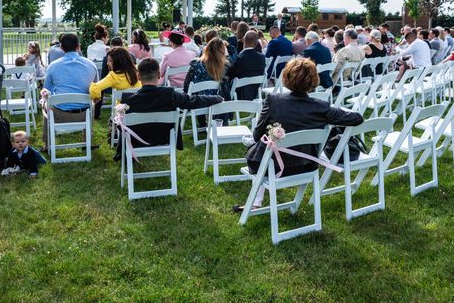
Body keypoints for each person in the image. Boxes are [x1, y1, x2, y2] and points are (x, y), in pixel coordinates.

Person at [234, 59, 363, 212]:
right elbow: (357, 118)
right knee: (269, 147)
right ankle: (256, 202)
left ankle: (255, 203)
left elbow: (257, 135)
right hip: (306, 166)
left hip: (273, 167)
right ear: (314, 80)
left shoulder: (273, 100)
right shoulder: (321, 107)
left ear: (286, 78)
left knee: (264, 147)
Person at [118, 58, 223, 159]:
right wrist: (216, 98)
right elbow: (194, 101)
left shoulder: (127, 99)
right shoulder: (169, 94)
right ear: (159, 75)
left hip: (137, 140)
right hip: (165, 138)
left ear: (138, 76)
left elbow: (120, 126)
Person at [41, 33, 98, 151]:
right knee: (91, 103)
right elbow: (95, 89)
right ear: (79, 46)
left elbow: (47, 90)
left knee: (45, 103)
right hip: (84, 114)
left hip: (59, 114)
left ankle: (47, 144)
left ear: (61, 47)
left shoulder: (53, 66)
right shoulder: (91, 65)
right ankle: (87, 140)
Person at [227, 31, 266, 100]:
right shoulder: (262, 58)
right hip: (255, 92)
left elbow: (230, 76)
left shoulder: (238, 58)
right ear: (256, 43)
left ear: (243, 40)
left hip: (238, 94)